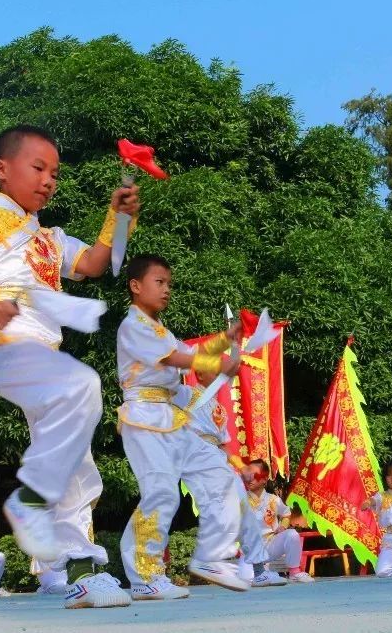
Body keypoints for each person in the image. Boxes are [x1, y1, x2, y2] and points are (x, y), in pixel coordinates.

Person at [0, 125, 138, 608]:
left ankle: (56, 570)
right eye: (38, 168)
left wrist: (117, 218)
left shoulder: (51, 237)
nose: (48, 180)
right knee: (82, 391)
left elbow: (95, 264)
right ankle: (72, 557)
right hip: (4, 340)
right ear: (2, 169)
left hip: (41, 355)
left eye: (54, 172)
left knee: (75, 448)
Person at [115, 254, 250, 599]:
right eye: (159, 282)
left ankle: (211, 556)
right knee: (161, 493)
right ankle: (145, 576)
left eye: (168, 284)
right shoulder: (133, 326)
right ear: (136, 286)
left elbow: (186, 349)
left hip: (170, 415)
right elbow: (177, 359)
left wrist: (224, 339)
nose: (166, 290)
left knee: (219, 474)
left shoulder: (159, 329)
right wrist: (220, 360)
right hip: (143, 417)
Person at [245, 461, 313, 583]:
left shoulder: (273, 500)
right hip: (248, 550)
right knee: (246, 579)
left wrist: (282, 526)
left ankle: (294, 572)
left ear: (265, 479)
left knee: (292, 534)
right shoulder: (241, 500)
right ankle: (263, 573)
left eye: (255, 476)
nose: (250, 479)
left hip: (270, 545)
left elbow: (287, 513)